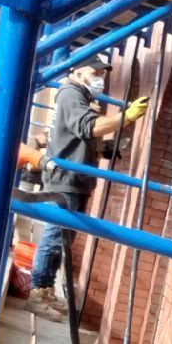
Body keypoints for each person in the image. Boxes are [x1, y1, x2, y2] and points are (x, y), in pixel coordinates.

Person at [28, 65, 147, 320]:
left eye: (102, 74)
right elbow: (88, 127)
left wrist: (104, 149)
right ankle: (38, 293)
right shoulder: (71, 94)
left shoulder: (79, 96)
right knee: (54, 237)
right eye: (95, 73)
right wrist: (127, 117)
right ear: (77, 72)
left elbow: (75, 139)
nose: (100, 78)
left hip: (75, 180)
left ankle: (45, 290)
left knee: (63, 239)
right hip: (66, 180)